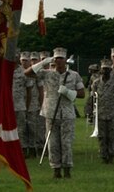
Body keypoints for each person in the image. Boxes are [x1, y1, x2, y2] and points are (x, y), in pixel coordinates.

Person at [26, 47, 84, 178]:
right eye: (56, 58)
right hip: (51, 113)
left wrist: (69, 93)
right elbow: (27, 73)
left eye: (61, 58)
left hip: (67, 114)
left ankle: (67, 169)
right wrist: (43, 62)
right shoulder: (47, 73)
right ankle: (56, 170)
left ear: (65, 60)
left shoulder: (73, 75)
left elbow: (82, 93)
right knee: (53, 143)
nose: (58, 61)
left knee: (66, 142)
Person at [90, 58, 114, 163]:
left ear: (110, 70)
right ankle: (103, 155)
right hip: (100, 113)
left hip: (113, 112)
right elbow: (92, 98)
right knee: (101, 136)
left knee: (112, 135)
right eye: (103, 69)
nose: (105, 71)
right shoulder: (96, 83)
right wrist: (91, 111)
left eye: (107, 69)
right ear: (101, 70)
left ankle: (111, 155)